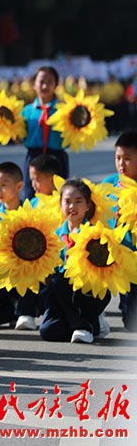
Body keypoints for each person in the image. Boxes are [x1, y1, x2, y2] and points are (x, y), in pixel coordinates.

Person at [40, 179, 111, 343]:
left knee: (60, 279)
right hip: (61, 297)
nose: (72, 207)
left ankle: (84, 326)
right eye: (67, 202)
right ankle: (91, 325)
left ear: (87, 206)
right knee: (48, 331)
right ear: (60, 205)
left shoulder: (95, 234)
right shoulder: (53, 235)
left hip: (88, 293)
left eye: (78, 201)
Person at [0, 161, 38, 331]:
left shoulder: (31, 214)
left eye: (3, 185)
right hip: (1, 276)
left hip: (27, 273)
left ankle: (26, 313)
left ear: (19, 185)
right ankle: (12, 312)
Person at [100, 132, 137, 329]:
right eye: (118, 158)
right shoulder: (108, 184)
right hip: (112, 256)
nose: (121, 164)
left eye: (128, 159)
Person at [21, 66, 69, 200]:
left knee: (59, 197)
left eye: (49, 82)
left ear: (56, 85)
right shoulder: (26, 111)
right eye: (41, 81)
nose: (45, 86)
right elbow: (19, 138)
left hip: (57, 158)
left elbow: (72, 138)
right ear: (34, 84)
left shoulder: (65, 111)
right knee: (31, 196)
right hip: (34, 157)